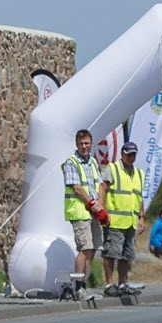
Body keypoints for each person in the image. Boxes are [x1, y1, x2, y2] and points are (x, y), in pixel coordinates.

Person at [62, 129, 105, 300]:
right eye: (81, 144)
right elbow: (77, 188)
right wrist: (92, 203)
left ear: (91, 143)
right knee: (84, 248)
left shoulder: (93, 162)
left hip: (93, 211)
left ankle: (84, 285)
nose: (84, 146)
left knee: (93, 249)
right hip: (80, 211)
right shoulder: (71, 162)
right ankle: (78, 287)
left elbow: (100, 185)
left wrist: (100, 204)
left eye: (87, 143)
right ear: (76, 144)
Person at [98, 141, 145, 296]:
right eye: (128, 154)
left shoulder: (138, 174)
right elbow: (103, 188)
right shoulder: (113, 169)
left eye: (133, 154)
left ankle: (123, 283)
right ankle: (109, 284)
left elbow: (139, 197)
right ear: (122, 154)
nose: (131, 157)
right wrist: (102, 210)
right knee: (111, 253)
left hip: (130, 222)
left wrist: (141, 217)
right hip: (115, 221)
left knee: (127, 255)